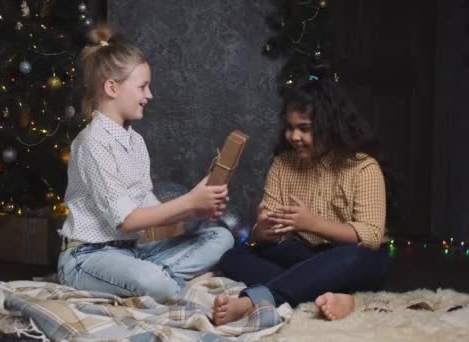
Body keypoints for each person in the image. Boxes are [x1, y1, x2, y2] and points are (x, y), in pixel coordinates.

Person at [57, 24, 234, 303]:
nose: (149, 95)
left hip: (131, 253)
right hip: (87, 257)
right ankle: (172, 284)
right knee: (153, 281)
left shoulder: (135, 142)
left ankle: (160, 279)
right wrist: (189, 201)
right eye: (142, 86)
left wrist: (196, 210)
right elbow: (128, 221)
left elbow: (150, 210)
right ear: (112, 88)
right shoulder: (92, 143)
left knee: (220, 239)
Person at [214, 78, 392, 324]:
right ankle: (337, 295)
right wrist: (263, 230)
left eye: (304, 128)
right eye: (290, 127)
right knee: (232, 257)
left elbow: (371, 236)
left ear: (330, 126)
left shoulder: (363, 167)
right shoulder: (283, 164)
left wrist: (311, 223)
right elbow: (265, 235)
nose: (294, 136)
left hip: (349, 259)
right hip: (303, 255)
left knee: (353, 256)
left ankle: (256, 300)